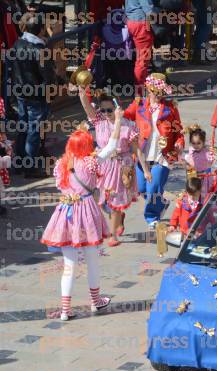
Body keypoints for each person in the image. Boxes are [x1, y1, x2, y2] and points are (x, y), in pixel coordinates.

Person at [40, 118, 124, 321]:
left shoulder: (61, 164)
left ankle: (65, 310)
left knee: (69, 264)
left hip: (65, 212)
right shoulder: (90, 162)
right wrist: (119, 120)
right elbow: (112, 145)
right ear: (87, 145)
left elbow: (60, 186)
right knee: (92, 260)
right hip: (86, 212)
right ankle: (95, 302)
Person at [79, 89, 151, 246]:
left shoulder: (127, 126)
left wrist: (145, 170)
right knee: (100, 199)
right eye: (103, 110)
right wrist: (82, 92)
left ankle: (112, 236)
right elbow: (86, 107)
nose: (106, 113)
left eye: (109, 110)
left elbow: (137, 150)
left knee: (115, 201)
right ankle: (118, 218)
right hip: (102, 165)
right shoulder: (99, 121)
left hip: (120, 167)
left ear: (117, 108)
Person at [124, 73, 184, 229]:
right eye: (155, 91)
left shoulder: (170, 108)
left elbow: (178, 131)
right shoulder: (139, 105)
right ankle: (161, 204)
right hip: (142, 156)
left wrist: (179, 144)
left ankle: (152, 217)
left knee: (153, 189)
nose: (158, 95)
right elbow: (123, 118)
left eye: (161, 92)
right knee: (142, 189)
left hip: (163, 156)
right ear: (148, 90)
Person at [11, 12, 55, 178]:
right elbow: (48, 76)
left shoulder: (17, 44)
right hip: (36, 96)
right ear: (41, 29)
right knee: (33, 131)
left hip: (21, 93)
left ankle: (18, 164)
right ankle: (30, 167)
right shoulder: (39, 49)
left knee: (23, 127)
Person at [125, 0, 157, 92]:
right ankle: (139, 93)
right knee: (142, 60)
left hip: (132, 21)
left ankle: (141, 88)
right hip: (141, 23)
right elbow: (149, 10)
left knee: (141, 59)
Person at [184, 125, 214, 201]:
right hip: (193, 176)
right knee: (192, 196)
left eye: (198, 143)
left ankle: (206, 211)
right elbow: (188, 164)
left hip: (205, 177)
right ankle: (193, 210)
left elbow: (211, 163)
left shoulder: (207, 152)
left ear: (203, 142)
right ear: (190, 143)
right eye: (193, 143)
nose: (196, 145)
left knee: (205, 197)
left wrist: (213, 156)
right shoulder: (191, 151)